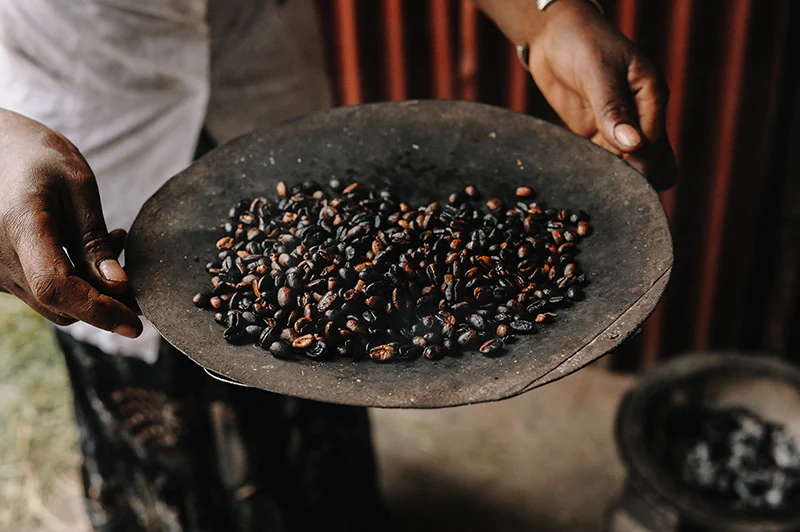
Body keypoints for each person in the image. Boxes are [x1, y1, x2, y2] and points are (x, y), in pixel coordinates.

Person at [0, 0, 676, 530]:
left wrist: (545, 12)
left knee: (325, 403)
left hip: (270, 95)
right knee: (162, 435)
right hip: (85, 116)